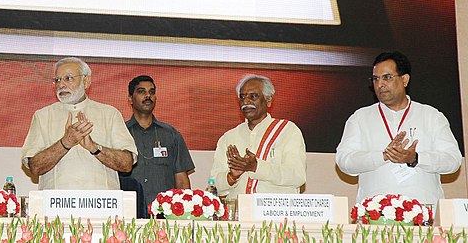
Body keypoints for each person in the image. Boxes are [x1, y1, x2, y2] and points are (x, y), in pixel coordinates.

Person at [336, 51, 461, 204]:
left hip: (424, 213)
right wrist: (383, 155)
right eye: (375, 79)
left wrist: (416, 158)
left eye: (387, 77)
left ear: (405, 80)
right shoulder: (360, 118)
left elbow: (453, 160)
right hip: (374, 216)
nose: (380, 84)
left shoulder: (431, 116)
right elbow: (344, 161)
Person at [21, 57, 138, 189]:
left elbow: (126, 164)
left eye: (68, 78)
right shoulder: (42, 116)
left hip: (102, 206)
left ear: (86, 81)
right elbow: (34, 167)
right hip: (56, 206)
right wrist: (65, 143)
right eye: (57, 80)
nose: (61, 85)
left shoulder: (109, 114)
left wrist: (94, 148)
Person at [210, 74, 306, 196]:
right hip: (238, 212)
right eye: (242, 97)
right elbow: (213, 187)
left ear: (268, 100)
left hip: (275, 212)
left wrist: (257, 167)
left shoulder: (288, 131)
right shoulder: (229, 137)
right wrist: (231, 176)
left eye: (253, 96)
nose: (246, 102)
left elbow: (297, 176)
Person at [122, 75, 194, 206]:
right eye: (141, 91)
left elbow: (182, 181)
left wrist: (185, 212)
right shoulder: (120, 132)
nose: (148, 96)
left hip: (163, 214)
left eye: (152, 92)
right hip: (127, 212)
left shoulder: (171, 134)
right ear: (130, 99)